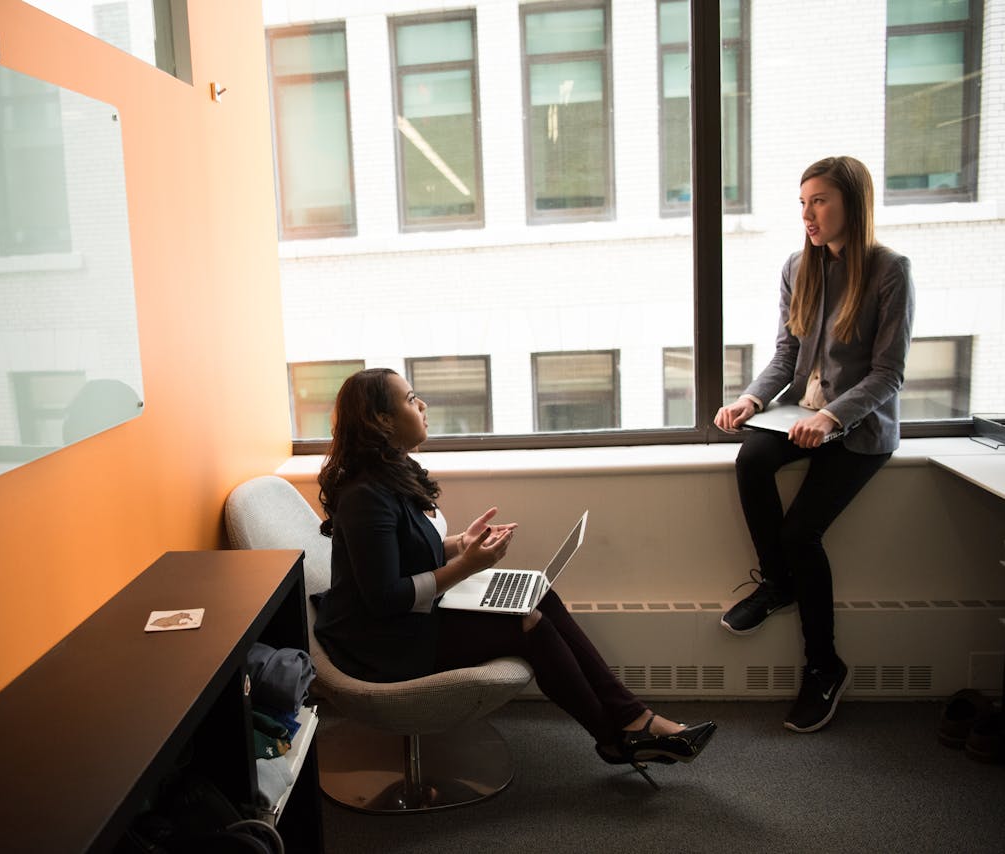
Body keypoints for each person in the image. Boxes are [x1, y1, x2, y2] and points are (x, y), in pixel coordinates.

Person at [314, 367, 716, 772]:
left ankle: (634, 721)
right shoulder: (366, 495)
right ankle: (619, 738)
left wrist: (460, 545)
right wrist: (467, 566)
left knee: (539, 593)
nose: (422, 405)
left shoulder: (394, 474)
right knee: (530, 624)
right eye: (410, 398)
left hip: (413, 617)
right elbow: (385, 599)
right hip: (382, 643)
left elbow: (408, 550)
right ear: (381, 420)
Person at [714, 156, 914, 733]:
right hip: (800, 417)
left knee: (803, 532)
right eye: (802, 203)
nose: (809, 214)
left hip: (860, 431)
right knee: (751, 457)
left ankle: (824, 667)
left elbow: (888, 373)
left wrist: (831, 418)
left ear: (852, 202)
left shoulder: (890, 270)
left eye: (820, 201)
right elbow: (786, 355)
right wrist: (751, 401)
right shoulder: (796, 267)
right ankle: (778, 584)